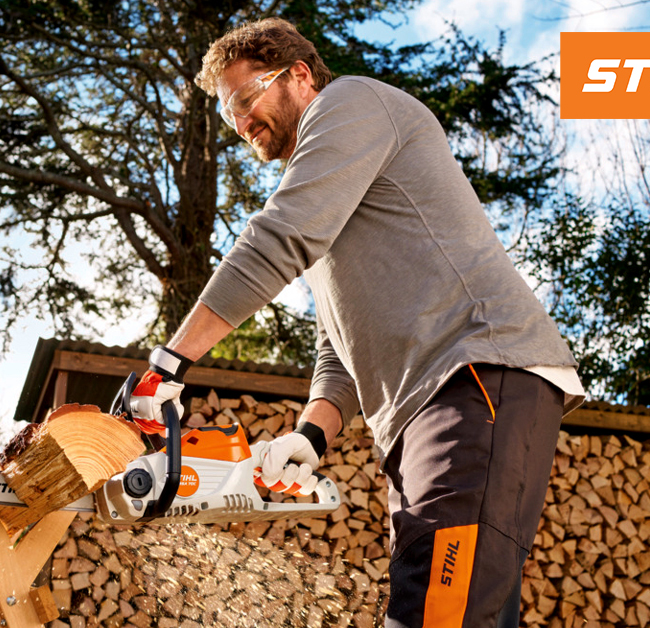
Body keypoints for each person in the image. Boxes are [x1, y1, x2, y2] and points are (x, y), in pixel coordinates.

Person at [128, 17, 585, 628]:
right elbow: (339, 345)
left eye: (246, 100)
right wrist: (310, 435)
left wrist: (171, 363)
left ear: (298, 74)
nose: (241, 125)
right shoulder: (333, 182)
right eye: (230, 116)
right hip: (426, 411)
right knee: (465, 611)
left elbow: (280, 236)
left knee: (432, 612)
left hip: (474, 377)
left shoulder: (352, 103)